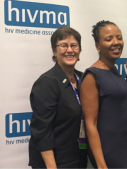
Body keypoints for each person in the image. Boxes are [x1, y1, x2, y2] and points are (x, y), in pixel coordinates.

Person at [29, 26, 87, 168]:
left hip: (78, 157)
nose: (69, 50)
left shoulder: (83, 79)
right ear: (54, 51)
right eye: (63, 46)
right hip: (55, 162)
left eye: (74, 46)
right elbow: (42, 131)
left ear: (79, 51)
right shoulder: (47, 82)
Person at [80, 20, 127, 169]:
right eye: (108, 39)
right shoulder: (92, 76)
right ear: (97, 46)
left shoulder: (115, 73)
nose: (116, 42)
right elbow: (90, 124)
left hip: (124, 148)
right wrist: (101, 163)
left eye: (119, 37)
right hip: (107, 153)